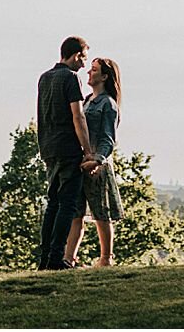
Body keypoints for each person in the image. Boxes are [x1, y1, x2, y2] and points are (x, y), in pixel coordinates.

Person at [36, 36, 97, 270]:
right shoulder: (71, 79)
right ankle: (55, 259)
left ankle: (45, 258)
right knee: (67, 204)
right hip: (67, 147)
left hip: (48, 146)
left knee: (52, 203)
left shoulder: (44, 78)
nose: (84, 65)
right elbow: (77, 116)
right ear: (76, 55)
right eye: (83, 59)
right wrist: (88, 150)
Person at [65, 57, 123, 267]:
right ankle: (69, 258)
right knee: (76, 212)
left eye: (94, 70)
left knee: (101, 213)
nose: (89, 72)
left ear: (105, 77)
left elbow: (109, 138)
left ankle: (106, 259)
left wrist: (97, 160)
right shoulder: (87, 100)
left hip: (97, 166)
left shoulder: (108, 104)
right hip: (81, 163)